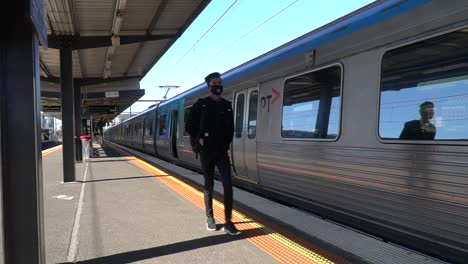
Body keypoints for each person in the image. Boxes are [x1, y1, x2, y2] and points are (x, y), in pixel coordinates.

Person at [185, 72, 240, 235]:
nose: (218, 86)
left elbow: (231, 127)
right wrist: (199, 139)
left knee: (228, 185)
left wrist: (227, 142)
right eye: (215, 83)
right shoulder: (201, 104)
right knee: (209, 185)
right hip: (206, 152)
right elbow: (189, 126)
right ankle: (210, 217)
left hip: (222, 152)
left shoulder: (227, 105)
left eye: (220, 83)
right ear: (209, 87)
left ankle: (228, 221)